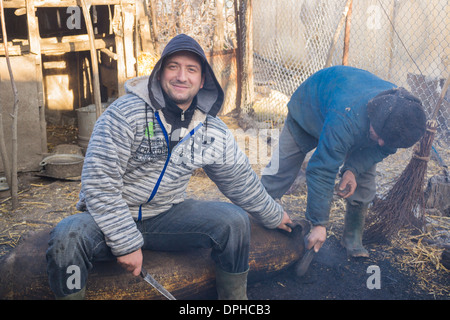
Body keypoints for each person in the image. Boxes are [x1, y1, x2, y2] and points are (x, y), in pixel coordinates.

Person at [46, 34, 292, 300]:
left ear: (202, 81)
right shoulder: (126, 113)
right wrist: (126, 242)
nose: (181, 77)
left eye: (191, 69)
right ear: (160, 72)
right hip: (106, 220)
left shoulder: (211, 130)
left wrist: (274, 215)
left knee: (234, 221)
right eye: (173, 66)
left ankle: (234, 300)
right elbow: (99, 182)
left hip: (165, 216)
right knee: (68, 236)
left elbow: (240, 181)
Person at [261, 66, 426, 258]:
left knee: (364, 183)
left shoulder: (397, 120)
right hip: (310, 108)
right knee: (282, 170)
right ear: (374, 117)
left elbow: (382, 148)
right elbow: (322, 169)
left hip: (346, 114)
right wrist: (319, 224)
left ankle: (352, 238)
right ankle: (254, 215)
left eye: (387, 140)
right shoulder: (347, 118)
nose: (382, 142)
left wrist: (353, 170)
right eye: (380, 136)